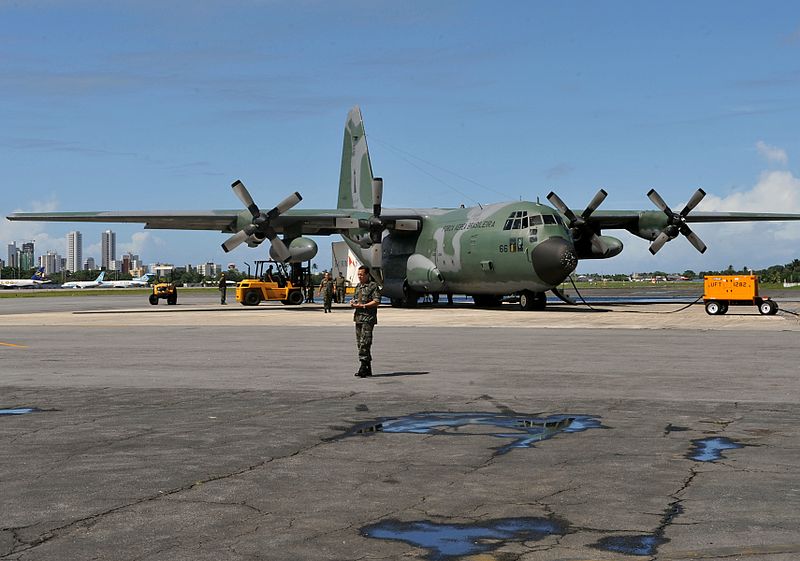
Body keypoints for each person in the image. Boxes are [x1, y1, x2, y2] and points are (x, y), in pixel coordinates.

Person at [350, 265, 381, 377]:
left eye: (362, 274)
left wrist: (363, 306)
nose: (359, 276)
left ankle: (363, 366)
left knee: (365, 343)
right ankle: (367, 367)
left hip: (368, 318)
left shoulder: (372, 286)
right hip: (358, 318)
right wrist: (353, 303)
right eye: (358, 274)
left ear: (367, 275)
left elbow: (377, 301)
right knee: (360, 343)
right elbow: (356, 298)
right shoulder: (358, 286)